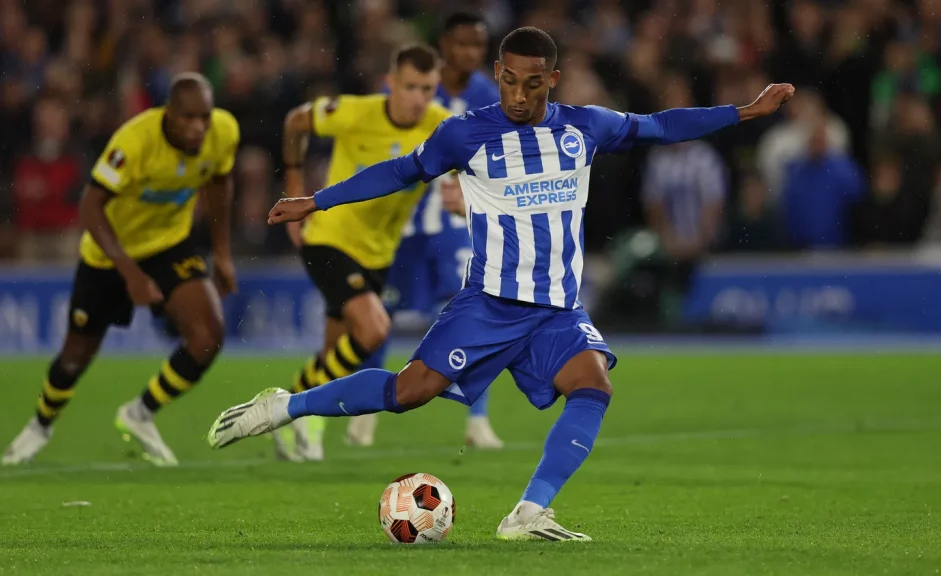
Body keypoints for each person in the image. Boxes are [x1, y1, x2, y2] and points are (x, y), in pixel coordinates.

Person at [208, 27, 793, 540]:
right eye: (509, 81)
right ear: (497, 75)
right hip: (488, 305)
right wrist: (317, 200)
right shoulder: (466, 135)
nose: (518, 94)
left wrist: (742, 112)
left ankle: (528, 513)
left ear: (553, 80)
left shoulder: (586, 128)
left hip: (556, 311)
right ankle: (286, 407)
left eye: (532, 83)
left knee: (594, 385)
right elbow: (400, 171)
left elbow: (661, 126)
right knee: (408, 393)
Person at [3, 73, 239, 467]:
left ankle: (140, 412)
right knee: (75, 357)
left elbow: (219, 181)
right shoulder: (134, 142)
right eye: (188, 118)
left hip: (169, 244)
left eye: (204, 117)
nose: (198, 127)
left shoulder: (223, 132)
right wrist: (131, 275)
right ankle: (40, 426)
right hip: (109, 252)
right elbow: (90, 206)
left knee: (207, 336)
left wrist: (223, 253)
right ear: (168, 113)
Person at [274, 45, 452, 462]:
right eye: (409, 86)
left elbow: (472, 161)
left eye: (427, 88)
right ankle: (297, 412)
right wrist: (296, 183)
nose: (418, 97)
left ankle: (288, 413)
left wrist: (460, 188)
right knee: (373, 329)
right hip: (329, 236)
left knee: (334, 353)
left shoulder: (441, 126)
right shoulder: (355, 112)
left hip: (378, 254)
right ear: (390, 82)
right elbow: (297, 120)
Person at [360, 12, 504, 449]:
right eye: (461, 45)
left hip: (453, 225)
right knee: (378, 321)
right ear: (444, 45)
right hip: (401, 222)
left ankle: (477, 419)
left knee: (475, 313)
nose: (469, 54)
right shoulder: (415, 85)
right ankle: (367, 414)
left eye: (477, 46)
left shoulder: (487, 94)